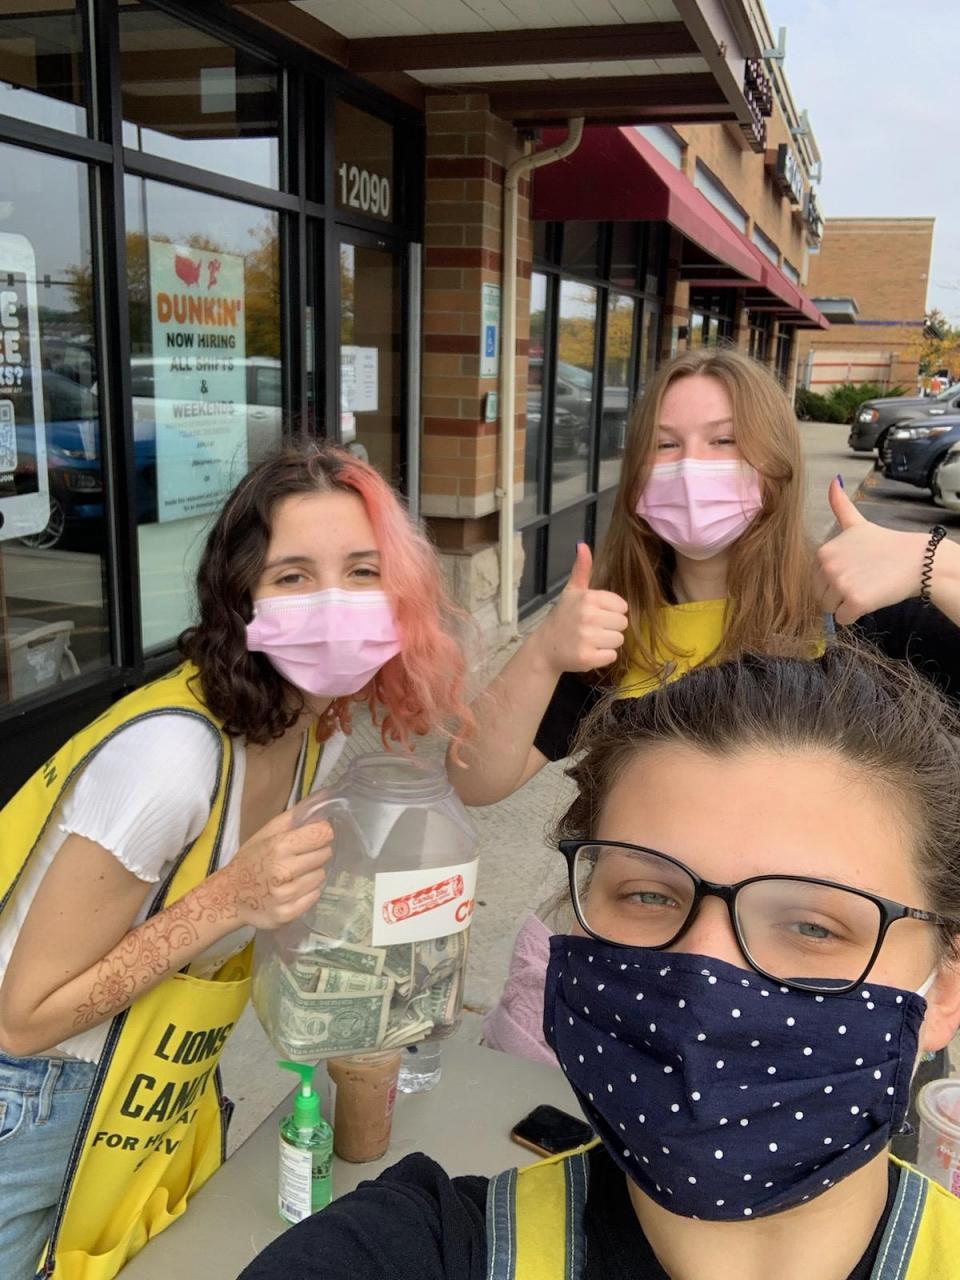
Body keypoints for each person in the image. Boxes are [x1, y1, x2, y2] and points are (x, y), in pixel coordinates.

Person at [240, 644, 960, 1280]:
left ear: (947, 992)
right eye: (648, 894)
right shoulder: (416, 1248)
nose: (702, 973)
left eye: (811, 925)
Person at [0, 441, 471, 1280]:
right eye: (294, 575)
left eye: (363, 571)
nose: (335, 602)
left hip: (158, 1076)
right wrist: (230, 899)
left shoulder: (315, 737)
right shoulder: (170, 759)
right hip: (35, 1097)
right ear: (242, 598)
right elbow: (23, 1018)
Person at [451, 348, 960, 807]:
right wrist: (542, 653)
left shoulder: (851, 602)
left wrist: (933, 562)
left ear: (777, 463)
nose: (691, 466)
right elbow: (473, 782)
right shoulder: (616, 626)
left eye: (725, 440)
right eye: (665, 444)